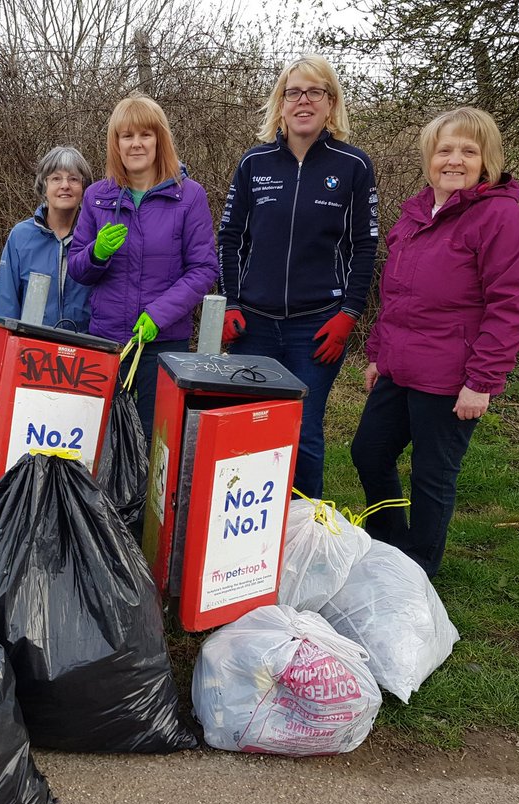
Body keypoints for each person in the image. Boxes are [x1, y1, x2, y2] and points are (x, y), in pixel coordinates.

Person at [350, 107, 519, 578]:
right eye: (445, 150)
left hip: (452, 378)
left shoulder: (502, 219)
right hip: (402, 367)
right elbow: (395, 296)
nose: (454, 160)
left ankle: (419, 573)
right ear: (429, 158)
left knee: (432, 476)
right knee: (369, 451)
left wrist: (482, 381)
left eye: (468, 150)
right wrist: (378, 354)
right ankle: (392, 546)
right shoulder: (417, 215)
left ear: (487, 160)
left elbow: (511, 307)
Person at [217, 54, 377, 500]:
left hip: (317, 324)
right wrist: (230, 301)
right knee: (251, 424)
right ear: (281, 103)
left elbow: (365, 247)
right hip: (254, 325)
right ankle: (245, 523)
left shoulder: (353, 166)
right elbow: (230, 238)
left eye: (315, 92)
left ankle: (303, 530)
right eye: (293, 92)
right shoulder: (254, 164)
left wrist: (349, 313)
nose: (303, 100)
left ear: (330, 103)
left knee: (304, 429)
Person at [69, 94, 217, 438]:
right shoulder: (96, 197)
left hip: (163, 344)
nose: (136, 144)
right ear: (116, 143)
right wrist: (97, 253)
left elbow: (203, 269)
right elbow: (78, 269)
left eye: (145, 135)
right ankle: (105, 495)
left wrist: (159, 315)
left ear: (159, 140)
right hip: (107, 342)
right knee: (103, 437)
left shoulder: (189, 196)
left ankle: (151, 495)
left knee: (156, 439)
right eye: (127, 136)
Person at [0, 146, 94, 331]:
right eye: (56, 178)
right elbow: (6, 306)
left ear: (84, 188)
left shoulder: (95, 238)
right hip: (32, 352)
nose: (65, 185)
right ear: (44, 185)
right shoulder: (20, 237)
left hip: (85, 352)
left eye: (73, 179)